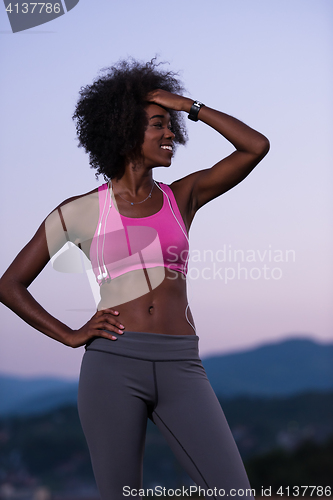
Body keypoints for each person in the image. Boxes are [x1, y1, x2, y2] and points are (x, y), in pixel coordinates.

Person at [0, 59, 269, 499]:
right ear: (125, 131)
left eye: (172, 125)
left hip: (182, 364)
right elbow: (9, 284)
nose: (171, 134)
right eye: (159, 124)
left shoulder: (182, 197)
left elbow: (255, 146)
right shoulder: (81, 210)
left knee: (235, 491)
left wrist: (188, 105)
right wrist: (70, 335)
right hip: (113, 366)